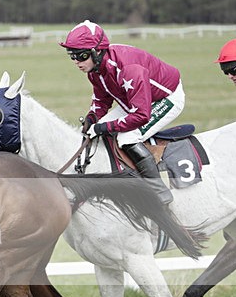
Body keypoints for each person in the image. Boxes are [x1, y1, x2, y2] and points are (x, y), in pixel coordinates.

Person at [60, 20, 184, 205]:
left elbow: (141, 115)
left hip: (165, 98)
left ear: (97, 51)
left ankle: (159, 192)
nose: (77, 62)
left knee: (127, 138)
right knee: (92, 132)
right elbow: (102, 99)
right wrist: (92, 118)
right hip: (134, 99)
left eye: (82, 55)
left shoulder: (128, 70)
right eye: (73, 56)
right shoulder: (95, 69)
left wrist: (104, 126)